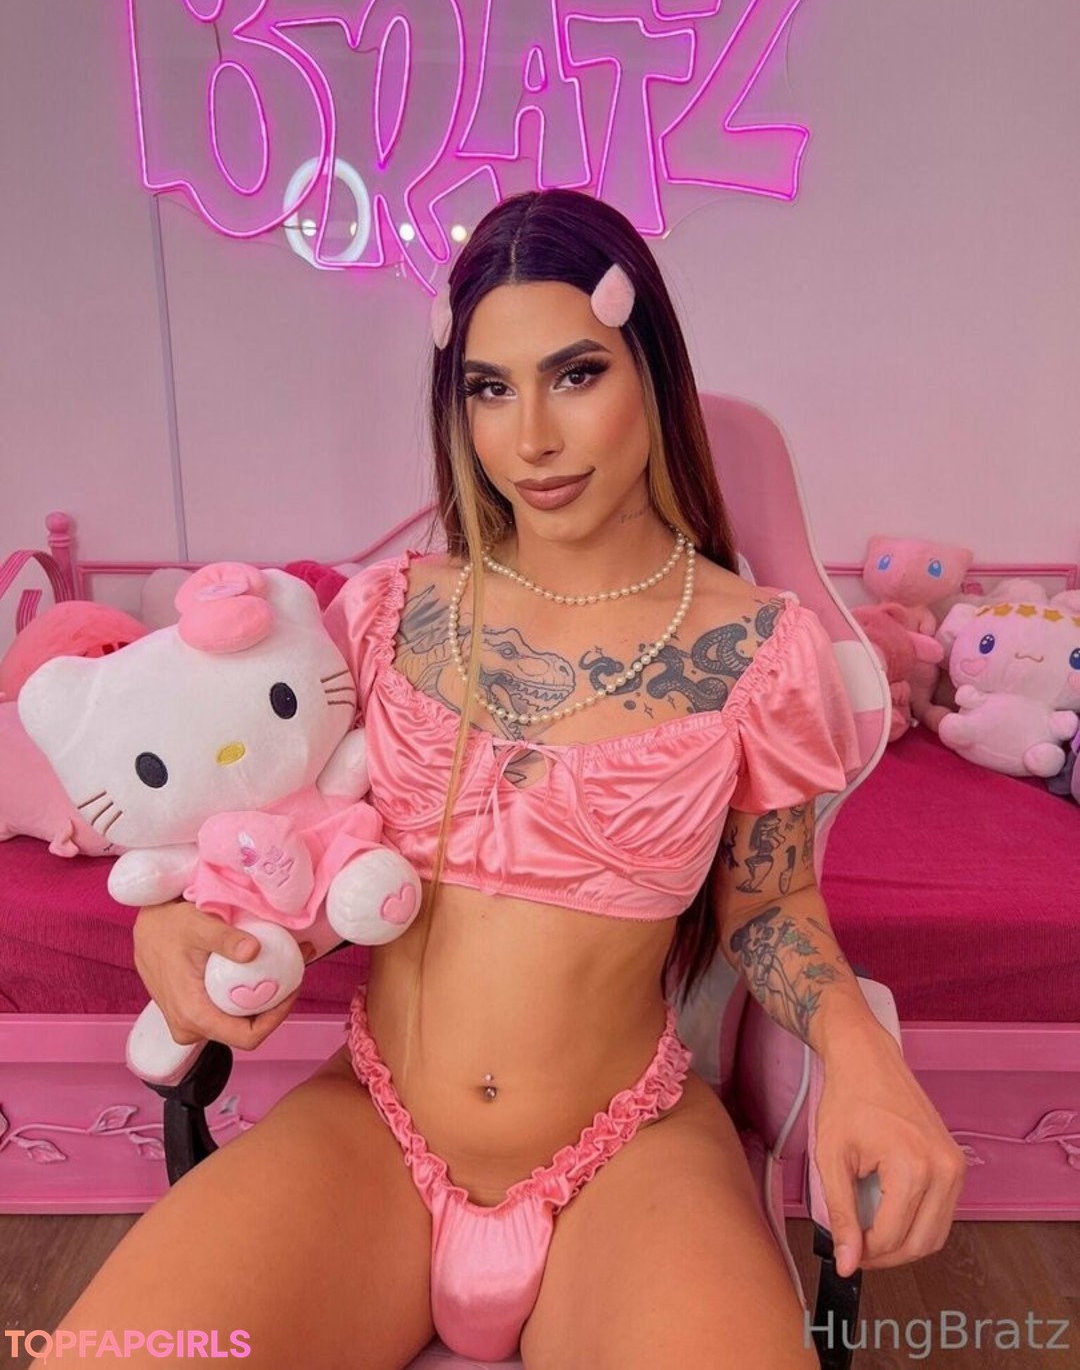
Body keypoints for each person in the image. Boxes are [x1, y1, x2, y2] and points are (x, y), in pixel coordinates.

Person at [42, 190, 965, 1369]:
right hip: (371, 1134)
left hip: (625, 1160)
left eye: (575, 375)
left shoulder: (757, 649)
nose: (530, 436)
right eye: (489, 387)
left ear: (653, 374)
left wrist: (866, 1056)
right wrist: (172, 923)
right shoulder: (383, 614)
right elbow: (275, 841)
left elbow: (770, 903)